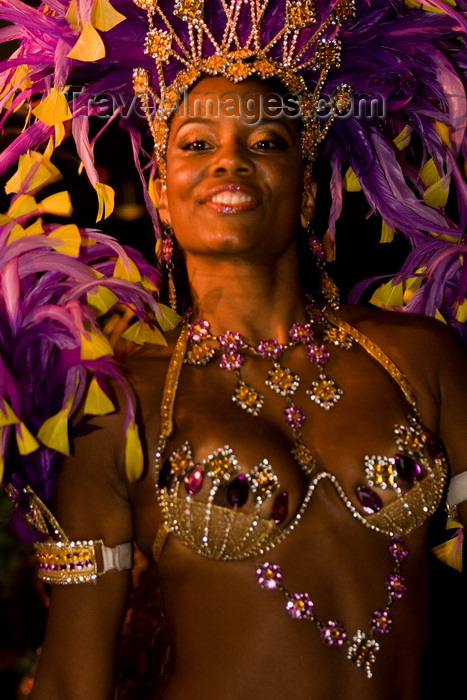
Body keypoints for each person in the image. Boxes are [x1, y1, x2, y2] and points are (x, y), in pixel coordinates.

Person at [0, 1, 466, 699]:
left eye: (266, 142)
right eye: (195, 144)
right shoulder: (115, 406)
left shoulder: (416, 358)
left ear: (306, 191)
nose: (229, 162)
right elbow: (72, 676)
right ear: (160, 189)